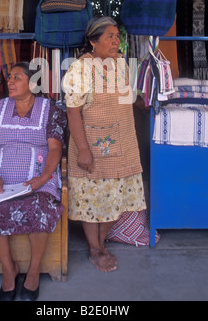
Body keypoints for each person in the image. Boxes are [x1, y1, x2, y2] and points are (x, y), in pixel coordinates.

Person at [0, 61, 67, 301]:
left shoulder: (50, 110)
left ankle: (33, 271)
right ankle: (9, 269)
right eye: (9, 77)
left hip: (38, 173)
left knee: (40, 206)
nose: (10, 81)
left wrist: (43, 178)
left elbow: (55, 148)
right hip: (0, 173)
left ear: (32, 83)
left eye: (17, 77)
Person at [63, 16, 146, 273]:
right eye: (109, 36)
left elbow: (127, 97)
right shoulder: (80, 69)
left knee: (116, 196)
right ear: (92, 42)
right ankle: (95, 249)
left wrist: (143, 100)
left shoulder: (121, 63)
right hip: (93, 144)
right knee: (91, 198)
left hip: (123, 142)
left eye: (116, 35)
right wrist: (84, 150)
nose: (115, 40)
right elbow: (72, 111)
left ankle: (100, 243)